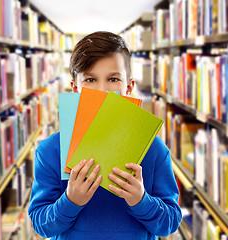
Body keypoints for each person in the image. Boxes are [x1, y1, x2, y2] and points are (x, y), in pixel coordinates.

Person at [28, 31, 182, 240]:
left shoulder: (154, 148)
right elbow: (40, 224)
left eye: (113, 79)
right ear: (75, 88)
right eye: (90, 79)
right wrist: (70, 201)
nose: (102, 91)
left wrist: (141, 200)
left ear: (129, 87)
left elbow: (170, 223)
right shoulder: (49, 151)